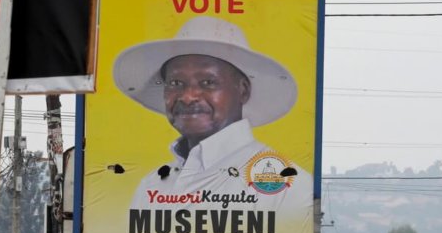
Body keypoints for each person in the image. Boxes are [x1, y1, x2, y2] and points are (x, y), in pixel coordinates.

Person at [116, 16, 311, 212]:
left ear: (243, 90)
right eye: (176, 83)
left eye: (208, 82)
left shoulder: (284, 186)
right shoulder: (152, 186)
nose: (188, 97)